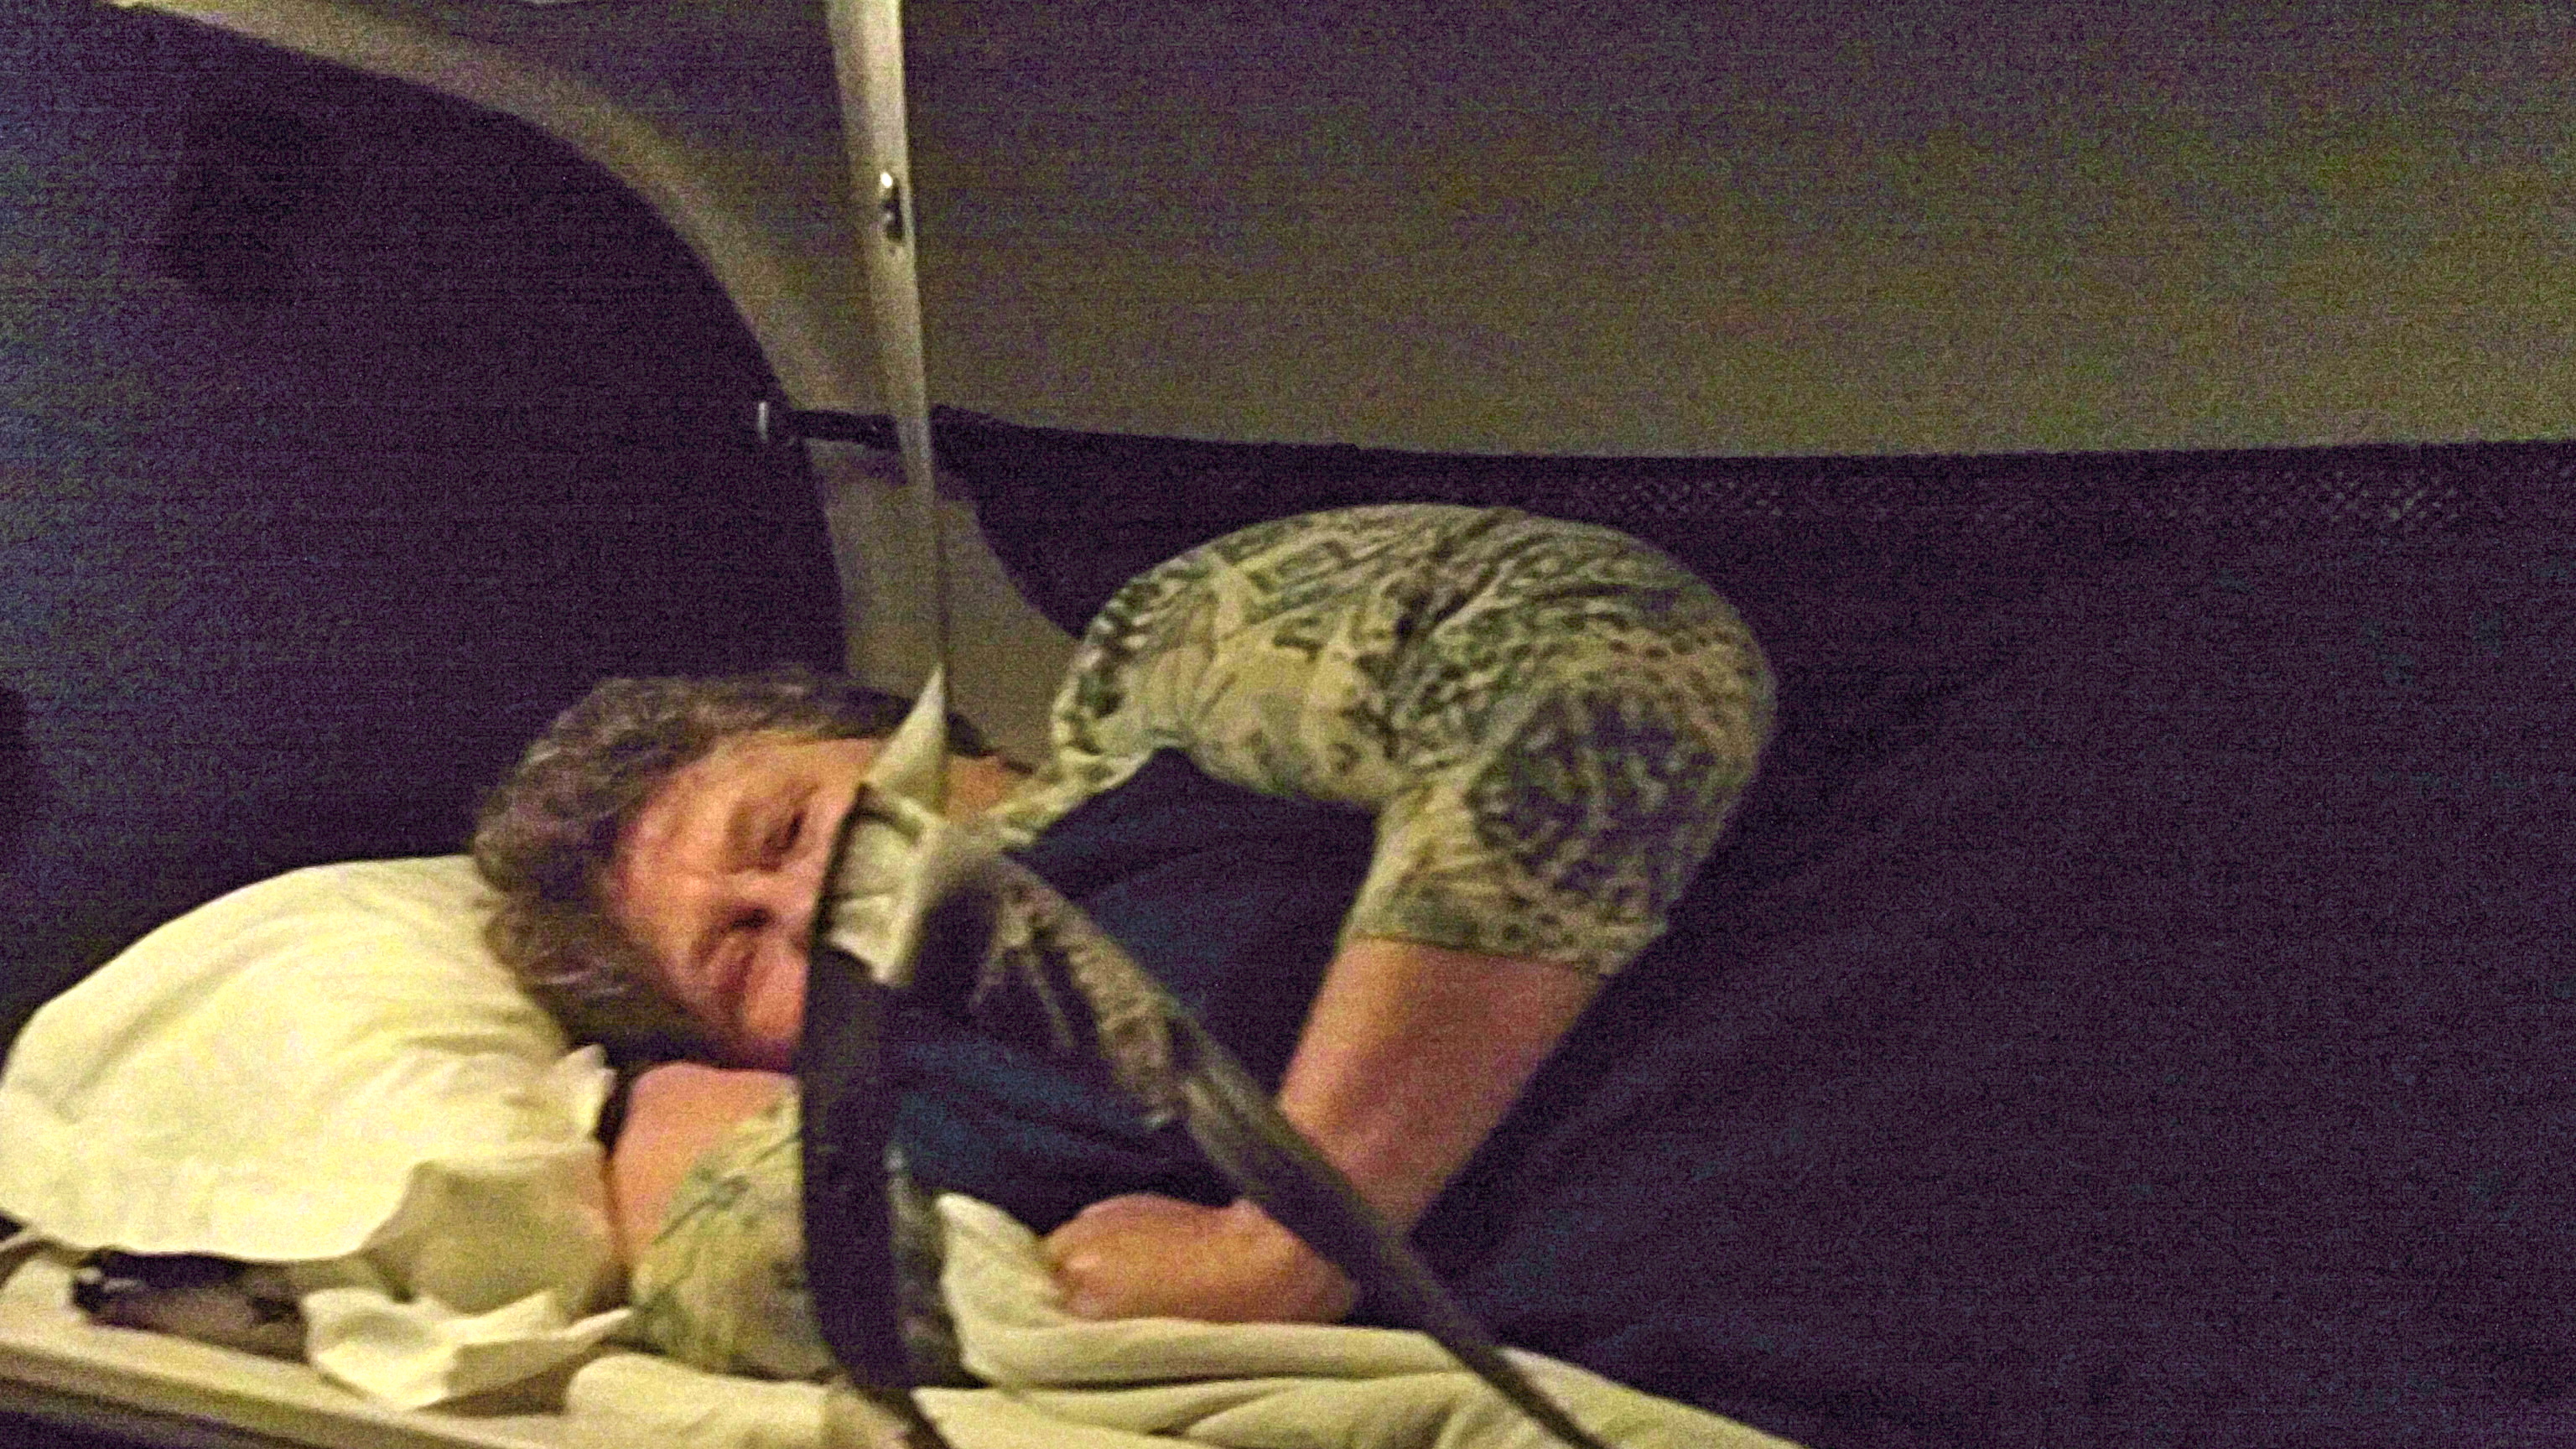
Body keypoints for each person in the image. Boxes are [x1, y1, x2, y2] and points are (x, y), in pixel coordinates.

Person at [471, 503, 1774, 1342]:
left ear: (916, 737)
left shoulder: (1161, 700)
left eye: (788, 830)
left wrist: (1285, 1240)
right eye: (738, 955)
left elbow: (1603, 653)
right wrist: (653, 1103)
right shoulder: (909, 1117)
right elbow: (740, 1272)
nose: (806, 910)